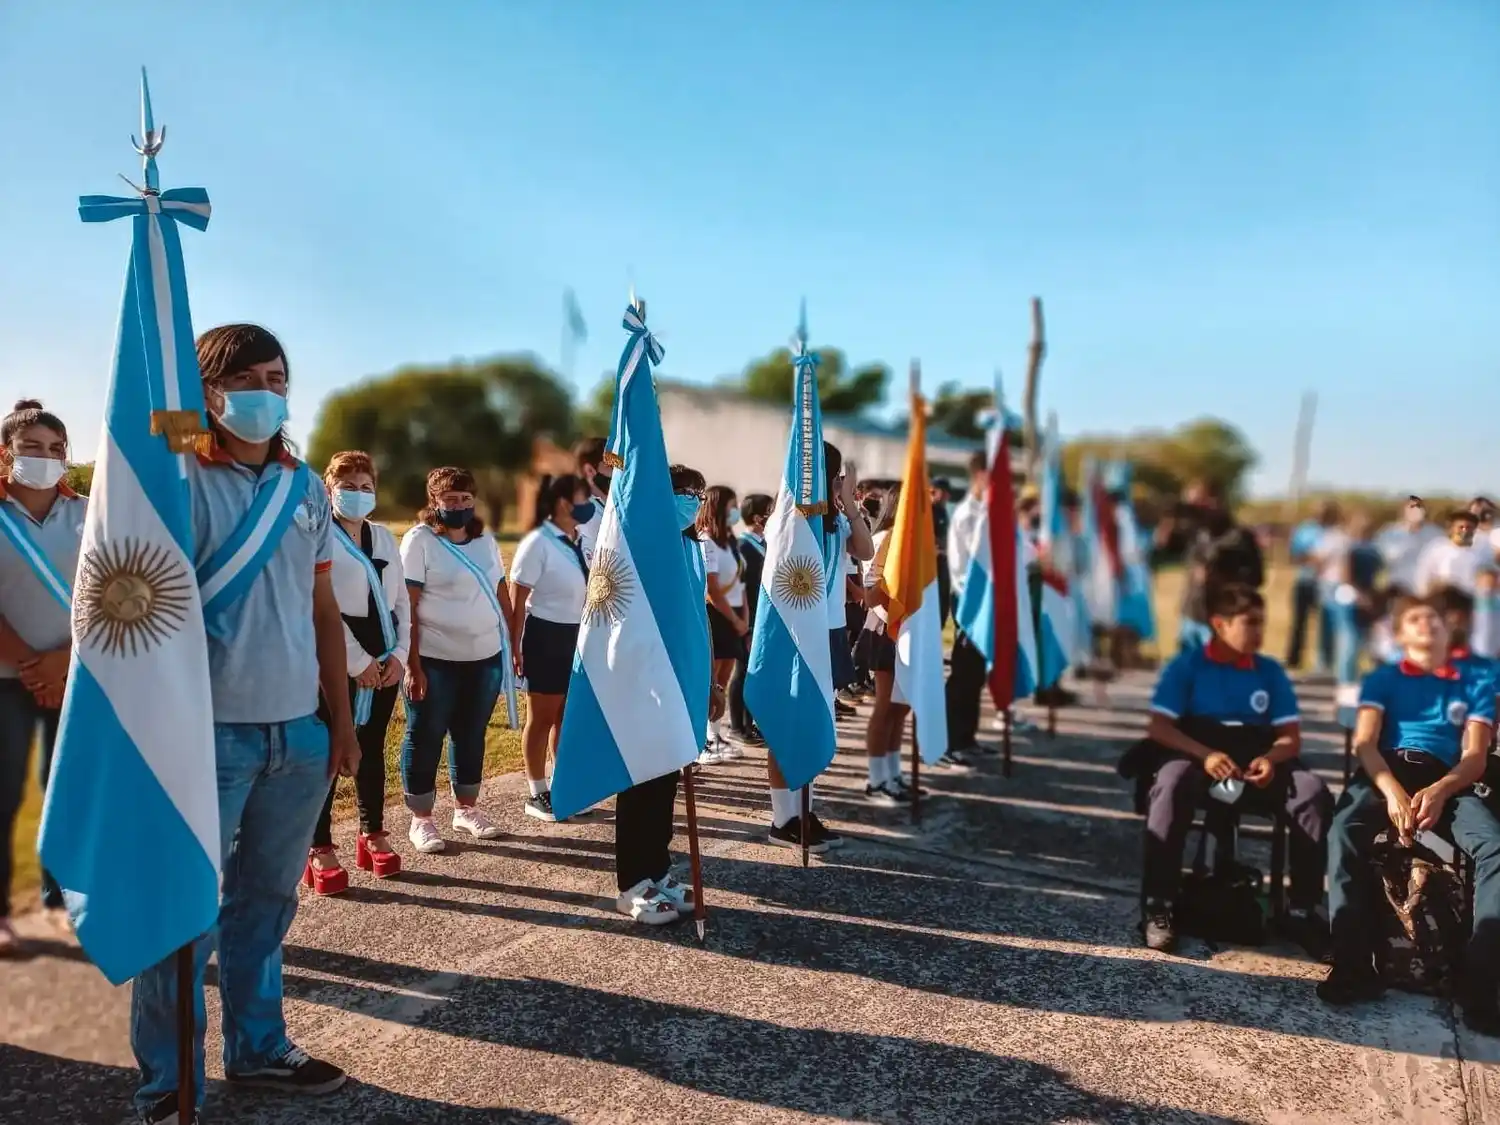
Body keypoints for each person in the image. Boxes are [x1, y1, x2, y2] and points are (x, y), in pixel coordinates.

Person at [132, 324, 358, 1123]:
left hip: (296, 733)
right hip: (204, 737)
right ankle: (169, 1081)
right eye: (254, 376)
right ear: (213, 389)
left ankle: (257, 1048)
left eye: (282, 376)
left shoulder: (303, 488)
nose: (272, 389)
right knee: (183, 916)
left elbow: (323, 606)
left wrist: (342, 720)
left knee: (264, 903)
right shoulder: (175, 475)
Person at [1320, 594, 1500, 1037]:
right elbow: (1364, 744)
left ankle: (1481, 986)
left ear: (1447, 630)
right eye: (1415, 619)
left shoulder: (1473, 682)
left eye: (1433, 618)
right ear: (1400, 635)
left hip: (1448, 778)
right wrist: (1394, 794)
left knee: (1494, 846)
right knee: (1344, 829)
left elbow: (1476, 755)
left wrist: (1440, 790)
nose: (1426, 625)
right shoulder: (1382, 678)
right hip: (1386, 773)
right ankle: (1353, 966)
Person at [1139, 583, 1332, 954]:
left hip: (1255, 758)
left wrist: (1270, 760)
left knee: (1311, 792)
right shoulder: (1188, 666)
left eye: (1262, 623)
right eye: (1250, 623)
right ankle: (1158, 904)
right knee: (1169, 783)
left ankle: (1304, 910)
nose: (1259, 632)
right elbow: (1159, 728)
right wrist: (1205, 755)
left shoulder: (1270, 672)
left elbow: (1290, 737)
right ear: (1219, 624)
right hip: (1200, 755)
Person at [303, 451, 411, 894]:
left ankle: (373, 833)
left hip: (384, 657)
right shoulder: (316, 535)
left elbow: (401, 599)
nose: (359, 493)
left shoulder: (384, 537)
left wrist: (400, 655)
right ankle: (320, 845)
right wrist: (356, 661)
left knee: (371, 748)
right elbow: (315, 604)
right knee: (330, 751)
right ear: (330, 491)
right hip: (337, 656)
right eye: (349, 486)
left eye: (366, 486)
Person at [613, 464, 715, 925]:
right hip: (643, 680)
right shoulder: (640, 547)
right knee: (639, 783)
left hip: (680, 679)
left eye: (698, 492)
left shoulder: (693, 548)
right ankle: (632, 883)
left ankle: (657, 869)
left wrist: (706, 680)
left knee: (665, 781)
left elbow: (697, 620)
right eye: (682, 491)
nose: (692, 499)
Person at [0, 401, 84, 956]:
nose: (46, 458)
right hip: (8, 678)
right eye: (32, 447)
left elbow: (113, 589)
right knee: (4, 793)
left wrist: (66, 660)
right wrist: (34, 664)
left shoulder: (88, 513)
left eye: (56, 449)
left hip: (78, 673)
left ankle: (63, 903)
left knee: (68, 794)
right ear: (6, 453)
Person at [399, 467, 512, 850]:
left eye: (466, 498)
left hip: (484, 659)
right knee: (425, 734)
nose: (460, 505)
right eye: (450, 498)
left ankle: (466, 810)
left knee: (470, 734)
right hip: (434, 659)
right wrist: (412, 665)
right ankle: (422, 820)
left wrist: (511, 645)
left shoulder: (485, 541)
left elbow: (501, 593)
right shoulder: (420, 541)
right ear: (434, 500)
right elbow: (407, 607)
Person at [507, 474, 591, 822]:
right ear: (562, 503)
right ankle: (537, 791)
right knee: (541, 717)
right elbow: (518, 596)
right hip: (545, 635)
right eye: (582, 497)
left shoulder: (581, 539)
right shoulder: (538, 542)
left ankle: (563, 783)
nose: (588, 504)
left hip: (577, 636)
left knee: (566, 717)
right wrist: (514, 646)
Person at [861, 484, 915, 805]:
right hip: (886, 630)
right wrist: (898, 618)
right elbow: (872, 595)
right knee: (885, 705)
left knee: (902, 707)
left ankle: (894, 774)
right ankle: (876, 779)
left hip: (911, 632)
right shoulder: (883, 540)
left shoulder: (914, 542)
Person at [697, 486, 749, 763]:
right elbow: (713, 590)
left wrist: (745, 619)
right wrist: (734, 618)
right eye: (731, 505)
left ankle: (715, 734)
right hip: (718, 615)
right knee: (711, 679)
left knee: (725, 677)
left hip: (735, 616)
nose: (735, 511)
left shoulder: (730, 543)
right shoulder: (706, 542)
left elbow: (739, 582)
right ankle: (702, 739)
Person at [944, 451, 988, 765]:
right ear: (980, 476)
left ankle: (967, 736)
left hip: (986, 600)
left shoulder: (985, 513)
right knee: (963, 672)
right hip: (969, 600)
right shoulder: (969, 515)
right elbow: (977, 561)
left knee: (976, 674)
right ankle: (951, 741)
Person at [728, 492, 773, 747]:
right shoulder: (743, 547)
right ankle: (737, 726)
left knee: (755, 672)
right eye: (769, 510)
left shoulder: (764, 544)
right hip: (749, 617)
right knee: (742, 671)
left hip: (762, 617)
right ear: (757, 517)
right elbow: (741, 588)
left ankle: (751, 722)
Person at [1285, 503, 1331, 670]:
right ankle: (1293, 660)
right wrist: (1311, 559)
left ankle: (1323, 663)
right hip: (1305, 581)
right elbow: (1293, 555)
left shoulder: (1333, 532)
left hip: (1326, 585)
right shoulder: (1305, 529)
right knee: (1299, 622)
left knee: (1325, 625)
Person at [1375, 496, 1440, 599]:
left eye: (1419, 507)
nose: (1416, 511)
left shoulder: (1435, 533)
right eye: (1412, 507)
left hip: (1426, 591)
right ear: (1404, 510)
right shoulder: (1389, 533)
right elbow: (1383, 560)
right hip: (1398, 589)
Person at [1415, 508, 1485, 597]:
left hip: (1472, 599)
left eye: (1469, 527)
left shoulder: (1481, 550)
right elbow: (1423, 575)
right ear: (1452, 529)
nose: (1465, 531)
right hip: (1443, 597)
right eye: (1461, 527)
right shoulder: (1437, 548)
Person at [573, 436, 611, 567]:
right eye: (610, 465)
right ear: (589, 470)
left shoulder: (607, 504)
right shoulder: (585, 511)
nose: (617, 471)